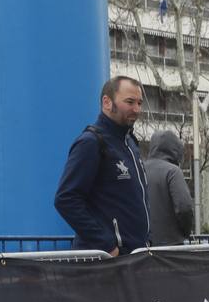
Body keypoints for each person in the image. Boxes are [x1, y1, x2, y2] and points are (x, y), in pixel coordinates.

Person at [54, 76, 150, 255]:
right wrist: (106, 245)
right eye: (130, 102)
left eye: (139, 102)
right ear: (107, 102)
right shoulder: (91, 143)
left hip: (136, 258)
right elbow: (66, 199)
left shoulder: (131, 143)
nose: (136, 109)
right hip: (105, 264)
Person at [143, 130, 193, 246]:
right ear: (176, 150)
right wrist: (186, 231)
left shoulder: (139, 168)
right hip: (170, 244)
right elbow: (184, 207)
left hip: (143, 245)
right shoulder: (172, 171)